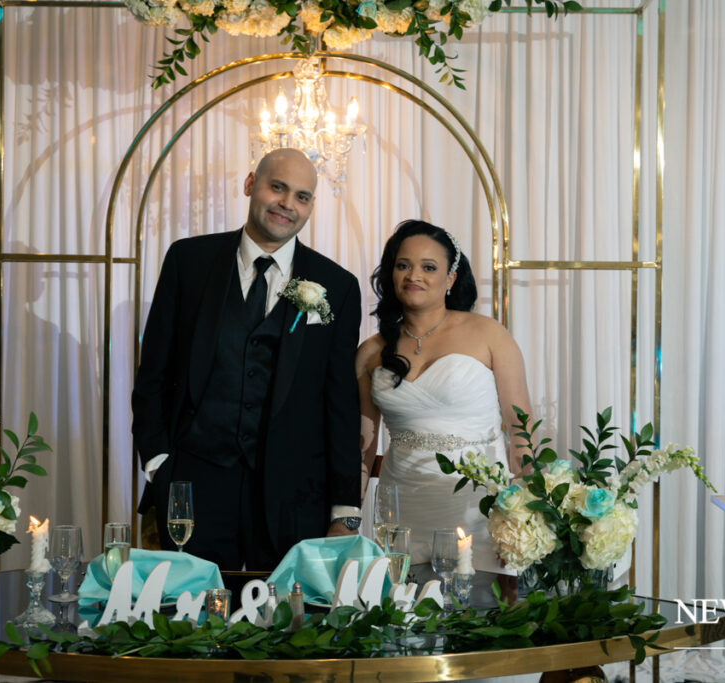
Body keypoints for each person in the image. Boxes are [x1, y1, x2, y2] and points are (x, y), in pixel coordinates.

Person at [132, 148, 362, 572]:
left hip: (293, 492)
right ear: (250, 184)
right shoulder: (189, 261)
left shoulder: (337, 285)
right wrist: (158, 462)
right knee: (191, 606)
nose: (287, 204)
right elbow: (153, 373)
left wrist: (345, 506)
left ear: (311, 205)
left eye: (302, 196)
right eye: (278, 187)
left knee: (283, 610)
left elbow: (341, 403)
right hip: (193, 480)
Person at [357, 219, 532, 601]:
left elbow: (522, 433)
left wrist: (522, 520)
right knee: (405, 619)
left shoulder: (488, 334)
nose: (413, 276)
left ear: (451, 278)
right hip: (401, 511)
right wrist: (349, 521)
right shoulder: (371, 352)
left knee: (482, 620)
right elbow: (362, 450)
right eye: (403, 265)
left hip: (478, 510)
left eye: (428, 267)